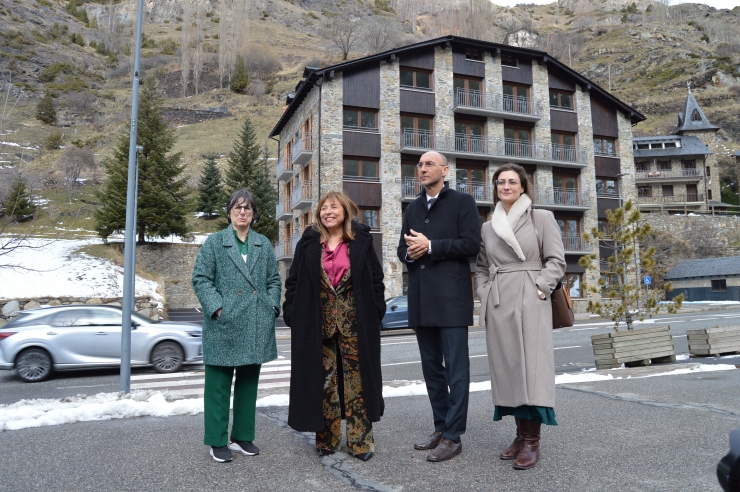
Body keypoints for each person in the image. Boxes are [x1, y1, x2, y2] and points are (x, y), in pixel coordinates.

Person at [475, 163, 566, 470]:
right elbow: (482, 266)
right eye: (501, 182)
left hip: (530, 298)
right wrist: (485, 293)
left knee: (532, 370)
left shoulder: (542, 217)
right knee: (510, 370)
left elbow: (556, 260)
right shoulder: (488, 227)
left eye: (512, 182)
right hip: (500, 301)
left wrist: (540, 287)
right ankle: (519, 435)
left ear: (524, 186)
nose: (506, 186)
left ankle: (532, 442)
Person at [283, 191, 386, 461]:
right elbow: (293, 282)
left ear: (346, 211)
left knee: (358, 383)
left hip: (356, 325)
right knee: (324, 383)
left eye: (334, 207)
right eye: (324, 208)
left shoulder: (361, 240)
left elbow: (376, 279)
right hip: (317, 325)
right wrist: (292, 313)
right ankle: (327, 440)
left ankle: (360, 443)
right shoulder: (308, 244)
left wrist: (377, 310)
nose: (328, 212)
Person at [397, 151, 481, 462]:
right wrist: (411, 253)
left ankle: (454, 436)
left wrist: (430, 246)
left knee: (457, 371)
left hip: (452, 302)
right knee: (432, 370)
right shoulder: (413, 208)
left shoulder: (463, 202)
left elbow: (471, 244)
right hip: (421, 301)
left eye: (429, 164)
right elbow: (400, 250)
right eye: (419, 165)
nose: (422, 168)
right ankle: (440, 426)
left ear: (445, 170)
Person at [192, 189, 282, 463]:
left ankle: (242, 436)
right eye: (237, 207)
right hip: (223, 324)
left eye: (247, 208)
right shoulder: (215, 243)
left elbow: (274, 281)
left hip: (255, 322)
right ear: (229, 211)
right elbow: (201, 278)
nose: (242, 212)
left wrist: (271, 307)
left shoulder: (262, 243)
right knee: (218, 385)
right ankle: (217, 440)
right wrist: (217, 308)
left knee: (248, 385)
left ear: (254, 214)